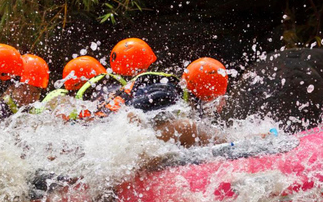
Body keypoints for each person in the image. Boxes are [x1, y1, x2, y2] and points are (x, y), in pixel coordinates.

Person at [88, 57, 230, 147]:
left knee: (196, 130)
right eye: (218, 98)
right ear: (207, 95)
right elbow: (129, 116)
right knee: (188, 128)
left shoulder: (180, 95)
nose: (221, 104)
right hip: (100, 137)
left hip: (103, 133)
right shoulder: (166, 93)